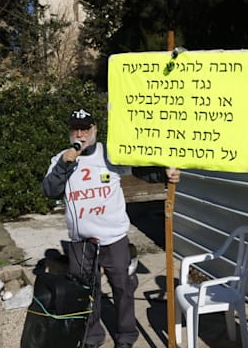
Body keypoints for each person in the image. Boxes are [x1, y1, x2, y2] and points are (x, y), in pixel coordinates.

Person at [42, 108, 180, 348]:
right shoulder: (60, 159)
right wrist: (64, 164)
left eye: (86, 129)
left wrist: (164, 173)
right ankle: (92, 336)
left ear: (95, 130)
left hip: (114, 237)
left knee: (123, 287)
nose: (81, 135)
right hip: (82, 241)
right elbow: (49, 190)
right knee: (86, 291)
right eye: (76, 129)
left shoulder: (111, 154)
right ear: (69, 132)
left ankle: (126, 336)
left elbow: (141, 170)